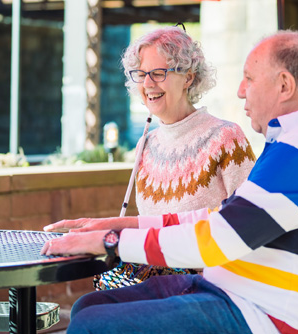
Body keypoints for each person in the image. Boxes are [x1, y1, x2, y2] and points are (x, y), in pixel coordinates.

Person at [42, 30, 298, 334]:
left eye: (249, 78)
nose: (241, 89)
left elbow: (218, 239)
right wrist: (120, 225)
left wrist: (112, 242)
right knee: (89, 306)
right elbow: (224, 216)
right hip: (236, 293)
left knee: (93, 325)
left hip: (264, 317)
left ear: (284, 86)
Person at [94, 26, 256, 290]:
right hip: (153, 284)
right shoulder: (145, 145)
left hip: (210, 291)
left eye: (158, 73)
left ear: (189, 78)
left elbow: (250, 227)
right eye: (141, 74)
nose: (147, 84)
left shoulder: (226, 138)